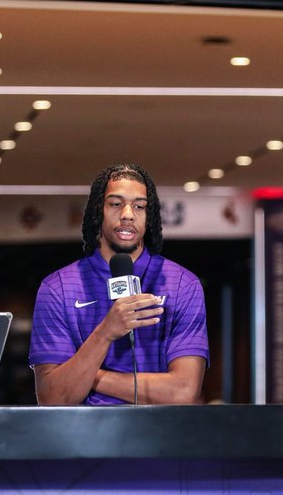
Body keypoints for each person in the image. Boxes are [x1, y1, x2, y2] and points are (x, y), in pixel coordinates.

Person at [30, 163, 208, 405]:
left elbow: (183, 393)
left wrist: (89, 376)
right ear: (98, 210)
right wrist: (105, 332)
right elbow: (52, 397)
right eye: (115, 204)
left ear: (149, 216)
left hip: (159, 430)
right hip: (84, 430)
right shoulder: (57, 288)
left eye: (139, 206)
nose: (128, 214)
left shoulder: (183, 285)